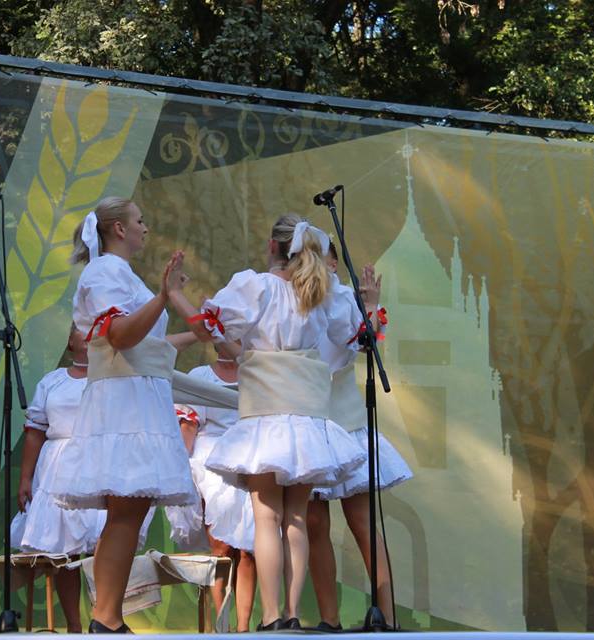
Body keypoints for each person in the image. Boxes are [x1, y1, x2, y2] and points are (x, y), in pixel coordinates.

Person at [166, 214, 378, 630]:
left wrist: (176, 295)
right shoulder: (318, 291)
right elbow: (358, 337)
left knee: (266, 517)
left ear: (271, 246)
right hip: (305, 420)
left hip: (266, 417)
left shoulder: (256, 286)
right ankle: (293, 613)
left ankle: (271, 614)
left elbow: (209, 330)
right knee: (295, 518)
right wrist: (370, 305)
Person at [48, 197, 196, 634]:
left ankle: (109, 615)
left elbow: (147, 343)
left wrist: (192, 325)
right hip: (124, 400)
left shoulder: (120, 273)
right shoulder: (105, 272)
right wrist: (163, 296)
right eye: (140, 220)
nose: (145, 228)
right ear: (118, 228)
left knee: (131, 509)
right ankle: (105, 617)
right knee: (126, 508)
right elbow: (121, 336)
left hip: (138, 394)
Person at [307, 244, 412, 631]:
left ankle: (387, 617)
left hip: (346, 419)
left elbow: (367, 343)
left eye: (319, 256)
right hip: (307, 420)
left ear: (334, 263)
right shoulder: (293, 296)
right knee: (313, 523)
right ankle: (329, 620)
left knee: (362, 520)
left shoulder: (343, 298)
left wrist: (370, 305)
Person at [10, 325, 106, 633]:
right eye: (82, 330)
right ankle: (74, 626)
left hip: (98, 462)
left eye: (96, 329)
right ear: (70, 340)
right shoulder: (52, 381)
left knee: (103, 545)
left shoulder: (113, 379)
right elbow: (35, 431)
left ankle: (104, 619)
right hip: (56, 468)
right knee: (65, 550)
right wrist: (25, 478)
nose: (89, 335)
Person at [168, 340, 258, 632]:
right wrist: (180, 468)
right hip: (211, 461)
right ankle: (222, 625)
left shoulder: (254, 374)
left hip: (249, 456)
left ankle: (243, 627)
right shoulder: (200, 376)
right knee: (220, 548)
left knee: (249, 549)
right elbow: (189, 426)